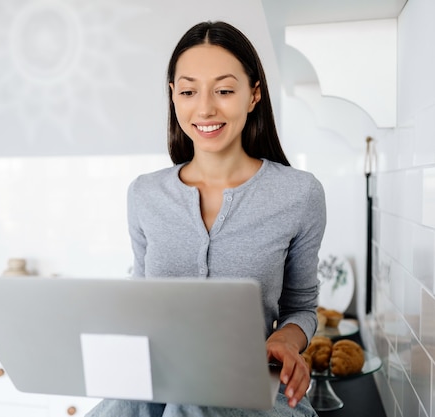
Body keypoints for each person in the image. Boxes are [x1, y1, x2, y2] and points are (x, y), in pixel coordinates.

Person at [86, 21, 326, 417]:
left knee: (191, 400)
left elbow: (301, 306)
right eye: (188, 91)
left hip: (252, 390)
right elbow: (142, 300)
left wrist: (286, 339)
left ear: (254, 95)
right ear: (173, 97)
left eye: (225, 90)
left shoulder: (299, 194)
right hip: (159, 383)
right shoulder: (145, 194)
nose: (205, 108)